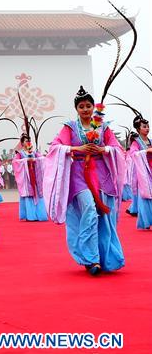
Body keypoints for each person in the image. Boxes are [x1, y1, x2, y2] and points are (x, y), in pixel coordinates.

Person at [43, 86, 125, 274]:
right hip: (79, 174)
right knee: (88, 208)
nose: (86, 109)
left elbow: (117, 149)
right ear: (77, 109)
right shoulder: (70, 127)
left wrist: (103, 150)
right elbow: (55, 148)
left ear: (93, 107)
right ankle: (91, 259)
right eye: (82, 106)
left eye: (88, 105)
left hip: (101, 174)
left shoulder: (103, 126)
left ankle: (105, 258)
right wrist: (77, 149)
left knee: (104, 214)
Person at [12, 133, 48, 222]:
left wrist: (35, 160)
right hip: (26, 178)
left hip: (35, 176)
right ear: (22, 143)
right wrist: (25, 160)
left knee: (37, 193)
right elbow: (15, 162)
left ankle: (40, 215)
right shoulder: (20, 153)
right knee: (29, 194)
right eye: (26, 141)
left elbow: (42, 159)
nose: (28, 142)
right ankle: (30, 215)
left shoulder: (34, 152)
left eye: (29, 140)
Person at [125, 114, 151, 229]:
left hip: (150, 170)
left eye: (148, 126)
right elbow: (133, 154)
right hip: (141, 173)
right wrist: (146, 152)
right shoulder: (136, 142)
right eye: (144, 126)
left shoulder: (150, 140)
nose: (147, 128)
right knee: (144, 195)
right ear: (138, 129)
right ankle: (145, 221)